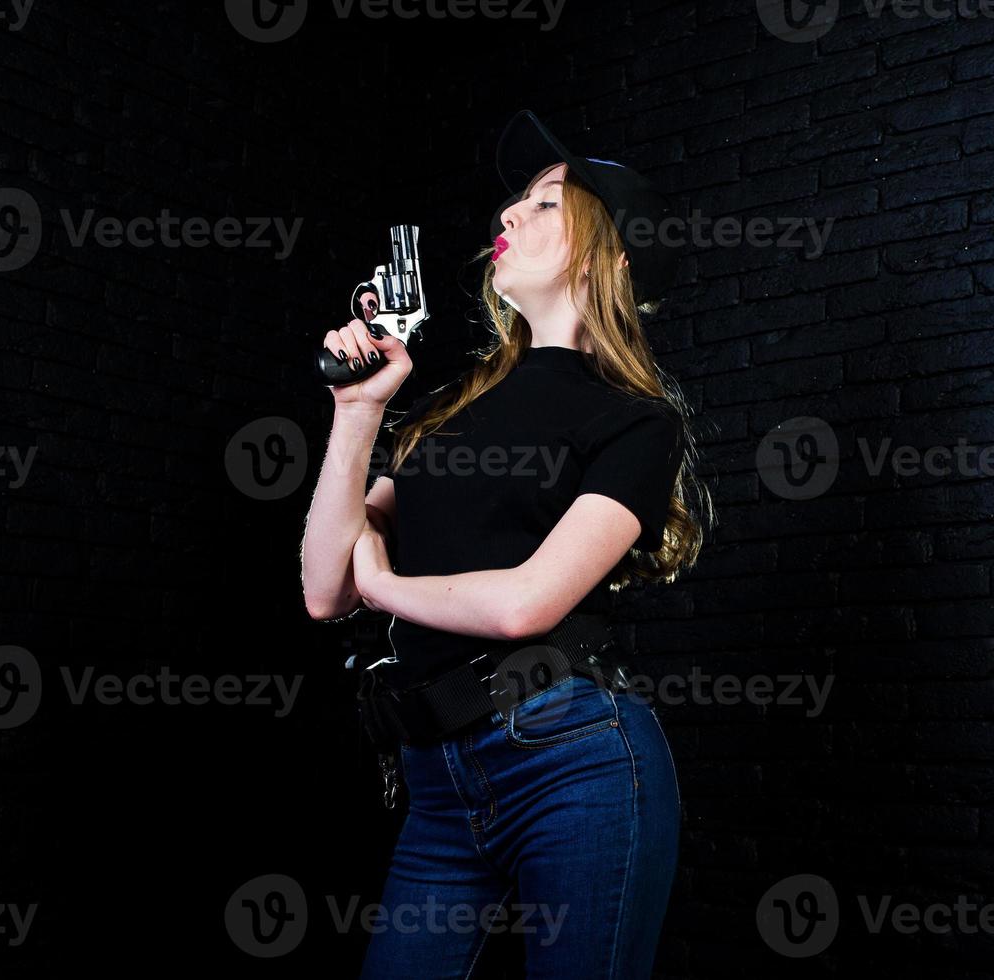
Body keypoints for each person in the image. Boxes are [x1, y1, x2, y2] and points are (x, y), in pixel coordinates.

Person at [300, 109, 712, 979]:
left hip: (572, 761)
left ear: (608, 256)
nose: (507, 218)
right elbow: (323, 589)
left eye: (544, 204)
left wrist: (379, 579)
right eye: (512, 206)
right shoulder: (451, 412)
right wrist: (359, 411)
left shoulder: (635, 423)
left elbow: (528, 602)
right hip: (438, 779)